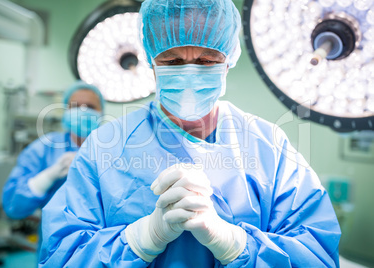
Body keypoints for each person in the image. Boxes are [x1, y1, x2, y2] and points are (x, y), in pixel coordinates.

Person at [39, 0, 341, 267]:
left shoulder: (268, 146)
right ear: (151, 61)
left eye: (207, 60)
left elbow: (317, 255)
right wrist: (139, 239)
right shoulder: (104, 148)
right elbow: (59, 257)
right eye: (172, 61)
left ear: (228, 60)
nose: (190, 73)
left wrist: (235, 244)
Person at [2, 80, 104, 222]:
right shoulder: (44, 148)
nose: (82, 111)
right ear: (65, 111)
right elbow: (13, 207)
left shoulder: (113, 150)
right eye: (75, 107)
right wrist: (49, 176)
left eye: (90, 106)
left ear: (101, 113)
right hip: (55, 239)